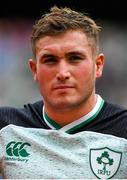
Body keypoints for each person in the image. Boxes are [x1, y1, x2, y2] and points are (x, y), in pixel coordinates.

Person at [0, 6, 127, 179]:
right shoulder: (6, 128)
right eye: (50, 60)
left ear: (98, 65)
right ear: (34, 69)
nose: (62, 73)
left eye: (75, 58)